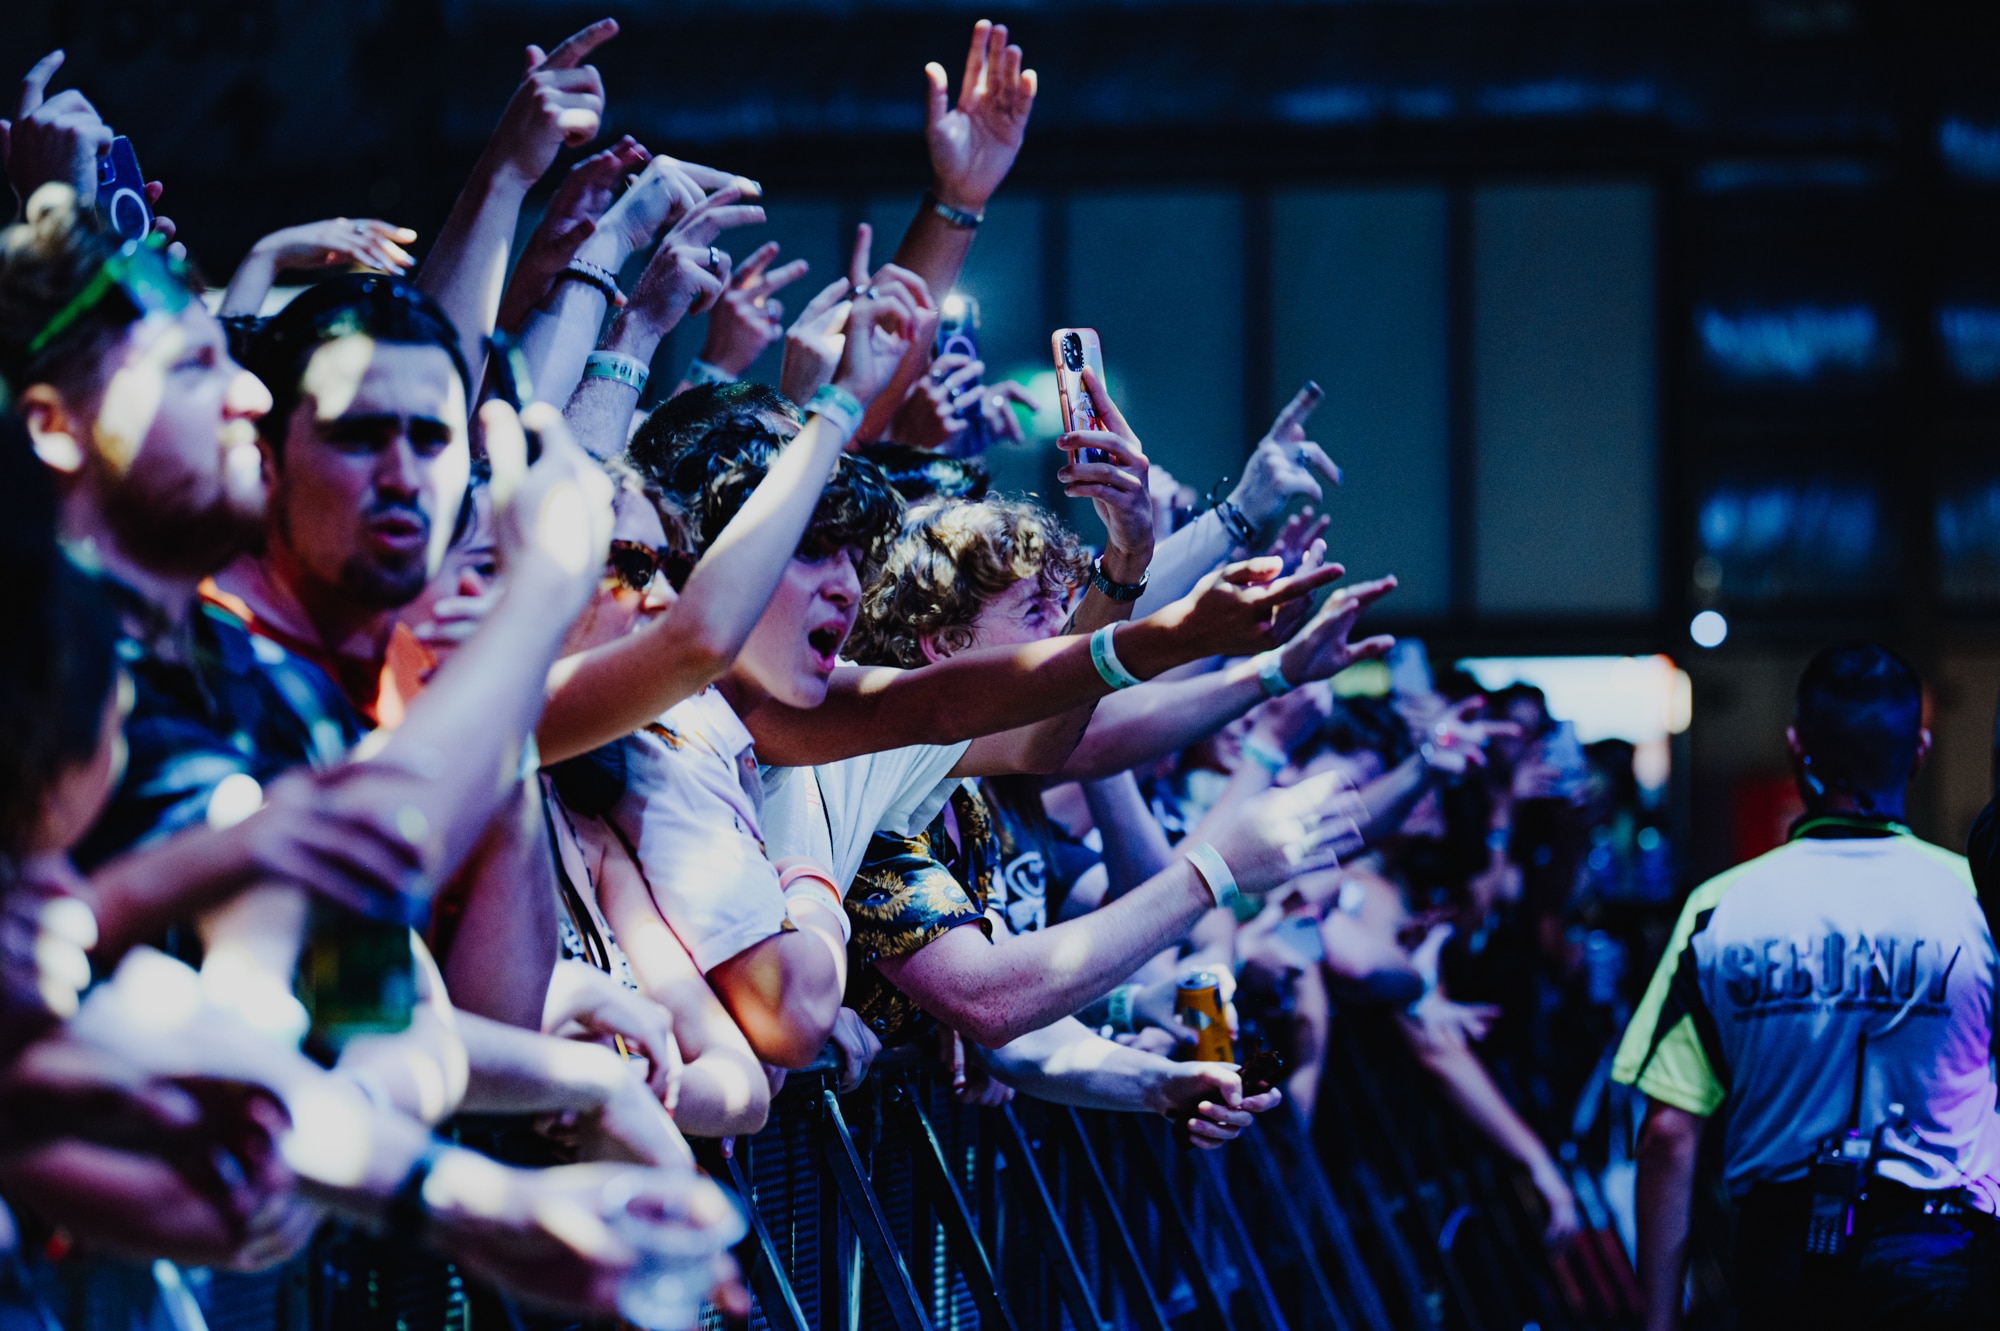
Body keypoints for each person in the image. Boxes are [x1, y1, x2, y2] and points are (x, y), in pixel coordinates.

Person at [1617, 642, 2000, 1330]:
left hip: (1782, 1261)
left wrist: (1657, 1321)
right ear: (1918, 750)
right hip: (1945, 1258)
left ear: (1797, 750)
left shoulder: (1717, 910)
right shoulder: (1978, 900)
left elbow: (1669, 1134)